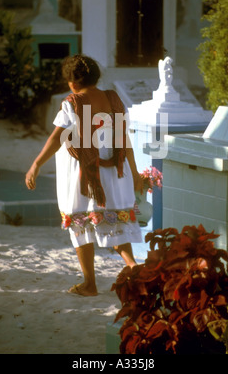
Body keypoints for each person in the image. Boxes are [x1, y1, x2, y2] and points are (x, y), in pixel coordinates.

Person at [25, 54, 143, 296]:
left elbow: (57, 138)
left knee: (80, 225)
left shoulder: (73, 102)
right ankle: (132, 266)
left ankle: (90, 283)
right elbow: (124, 139)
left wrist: (36, 164)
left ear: (73, 82)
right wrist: (135, 172)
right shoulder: (113, 99)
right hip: (114, 173)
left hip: (85, 176)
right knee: (115, 221)